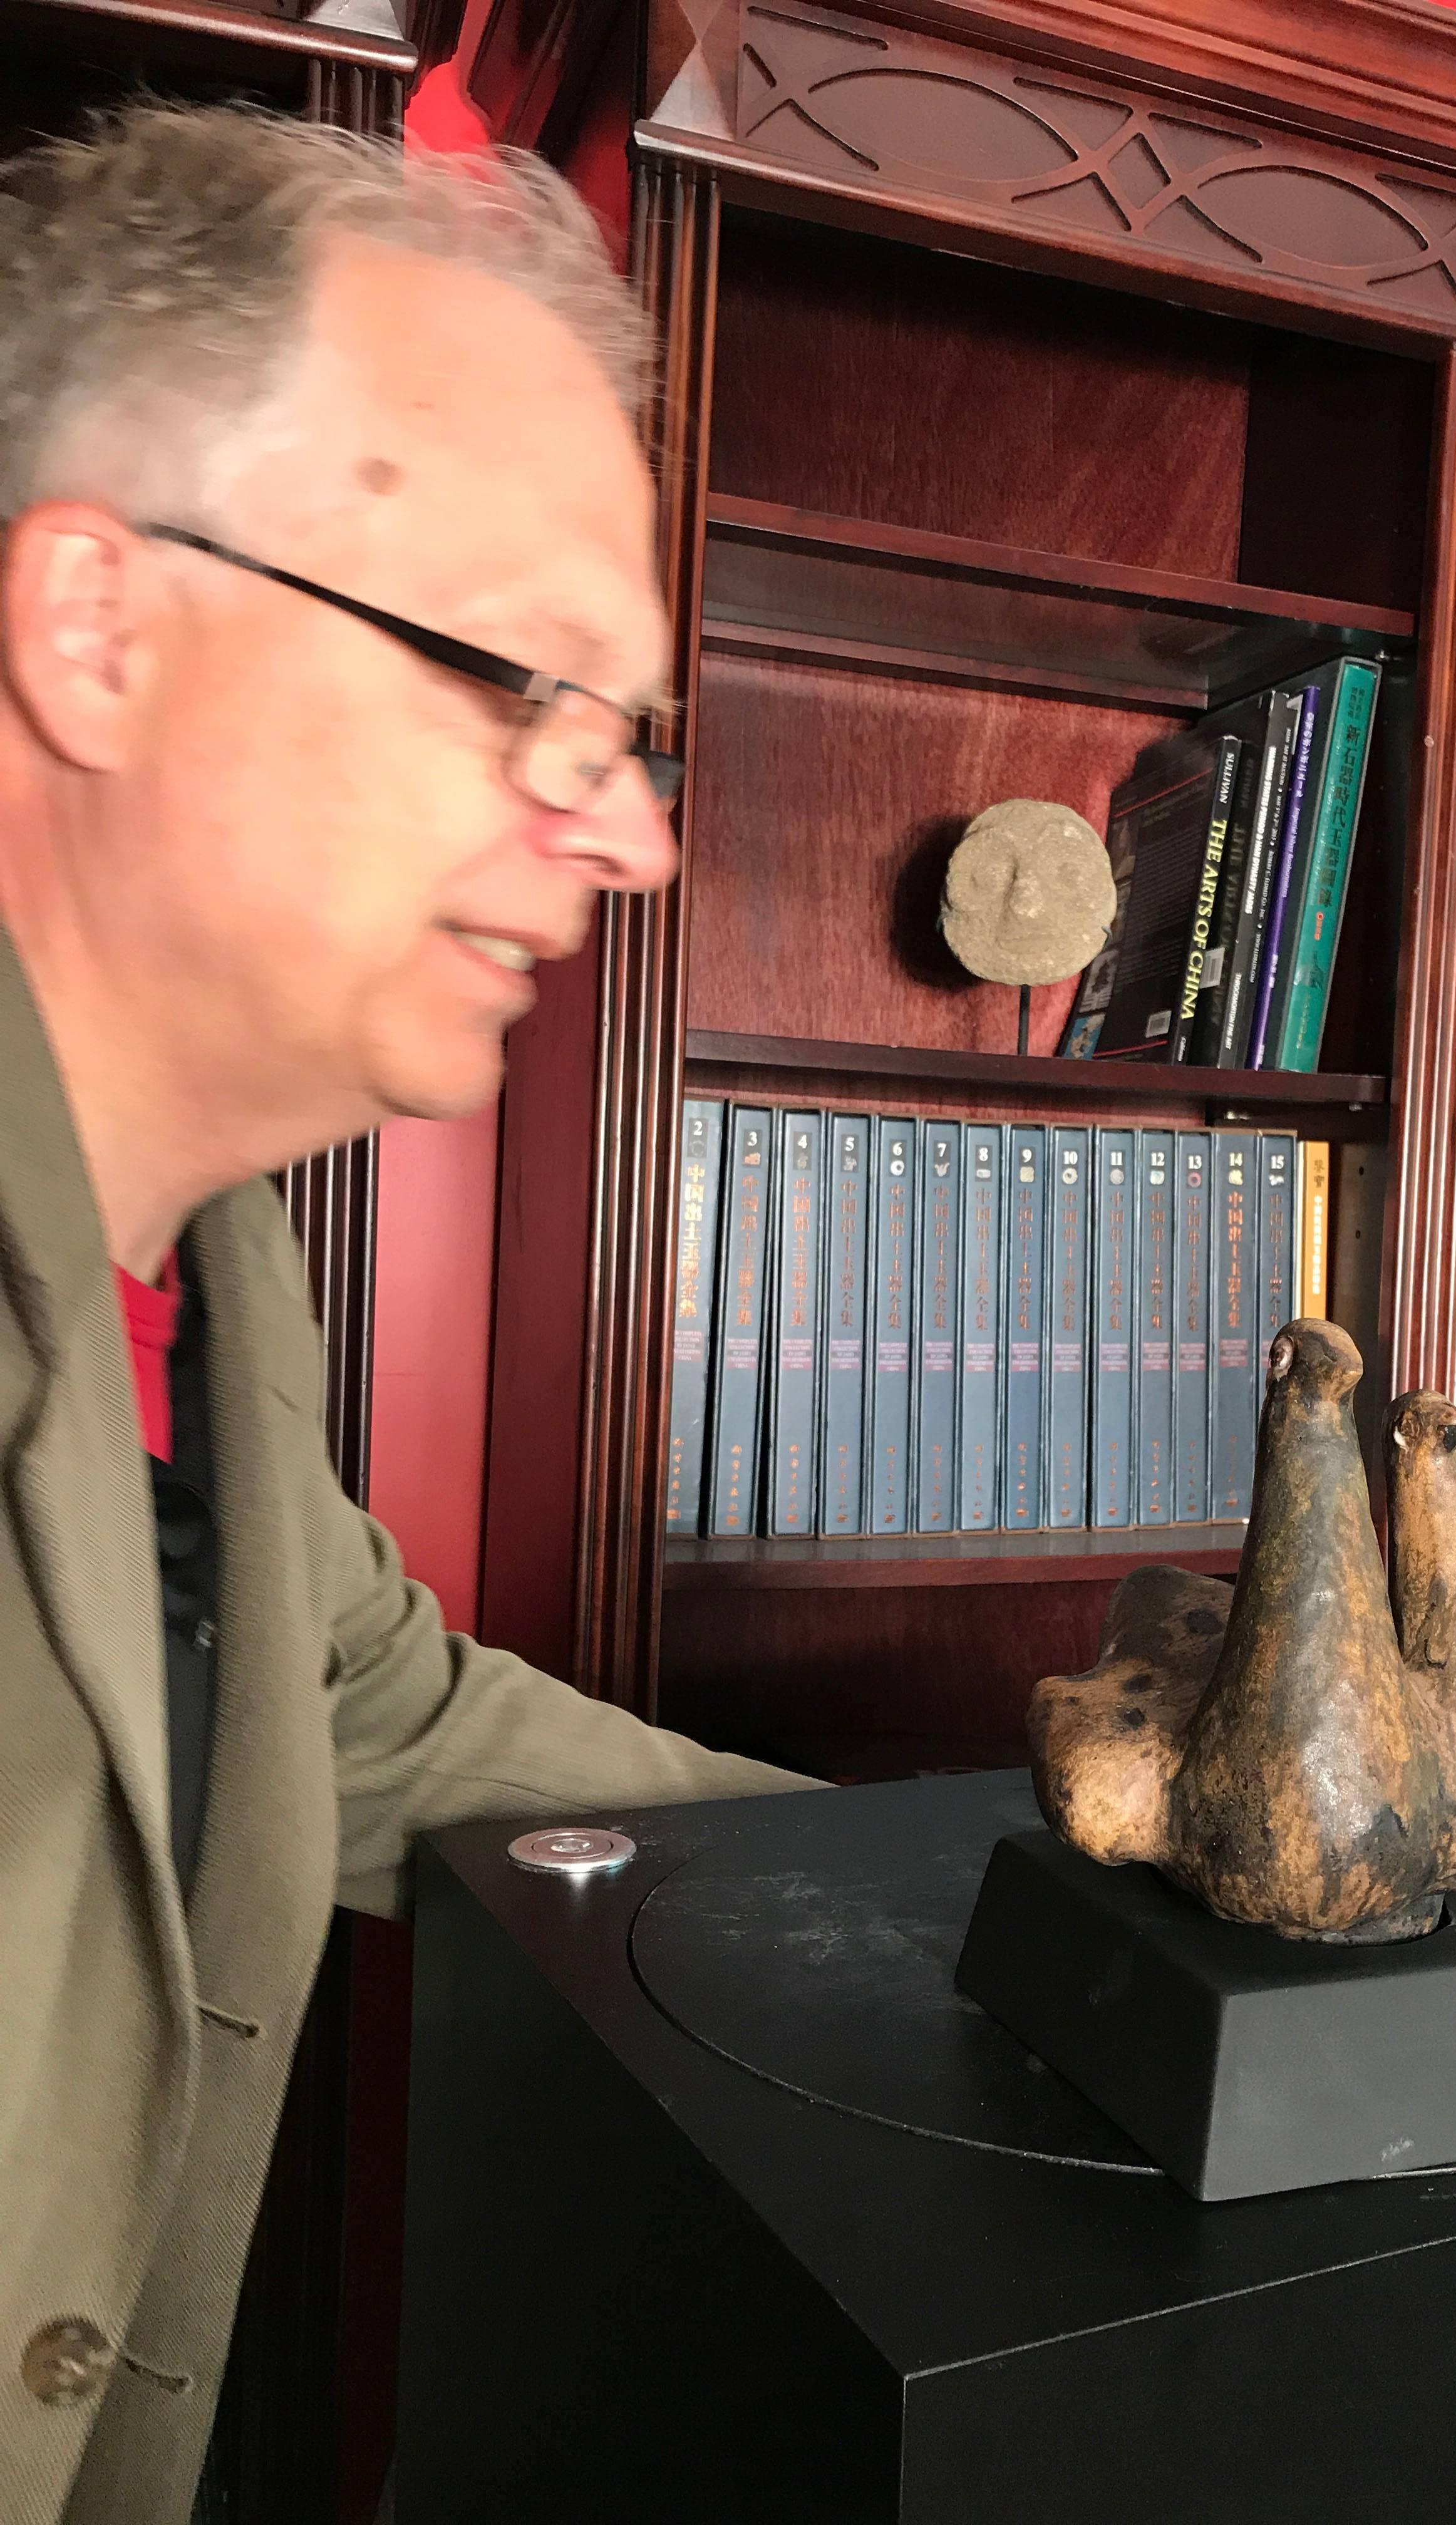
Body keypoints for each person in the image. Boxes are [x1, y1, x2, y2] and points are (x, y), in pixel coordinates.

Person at [0, 105, 813, 2525]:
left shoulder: (225, 1269)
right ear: (97, 629)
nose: (633, 832)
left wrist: (1012, 1886)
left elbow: (362, 1712)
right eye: (524, 683)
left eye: (629, 734)